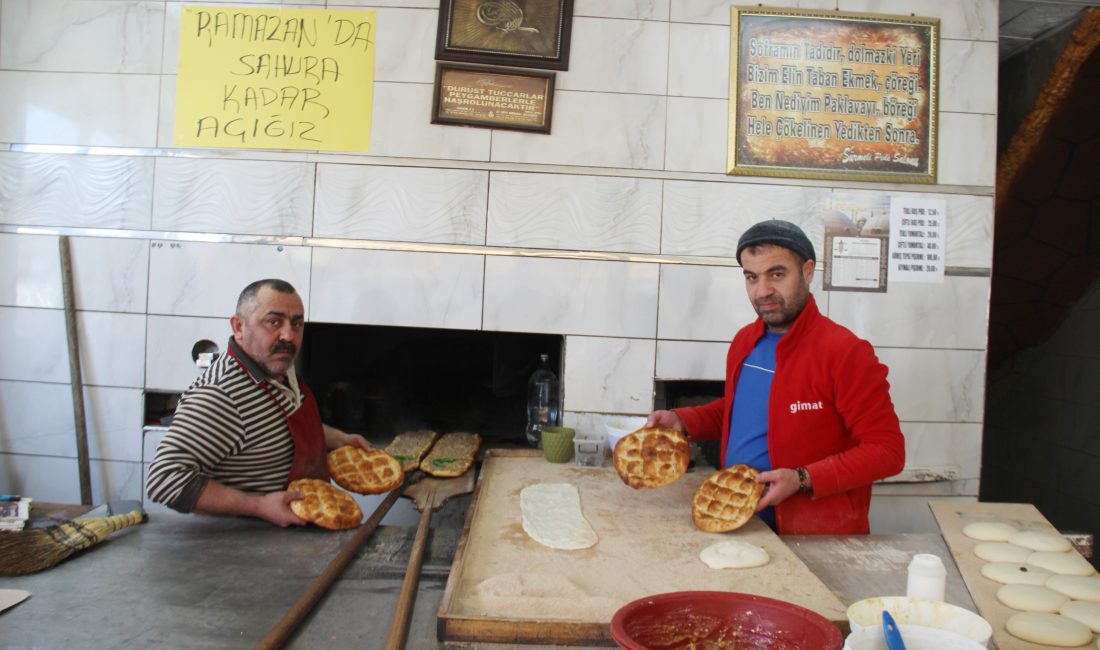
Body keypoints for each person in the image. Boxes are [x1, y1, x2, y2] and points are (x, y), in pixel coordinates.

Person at [647, 219, 905, 534]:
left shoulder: (845, 352)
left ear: (807, 272)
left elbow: (888, 451)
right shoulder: (745, 341)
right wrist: (684, 420)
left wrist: (802, 479)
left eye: (777, 274)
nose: (762, 290)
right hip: (740, 518)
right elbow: (746, 411)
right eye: (752, 277)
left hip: (813, 535)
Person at [146, 279, 372, 526]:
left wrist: (340, 439)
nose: (288, 335)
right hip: (251, 541)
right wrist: (258, 506)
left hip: (302, 530)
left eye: (296, 324)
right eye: (273, 322)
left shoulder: (278, 366)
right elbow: (164, 480)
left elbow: (284, 425)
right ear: (239, 326)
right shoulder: (220, 394)